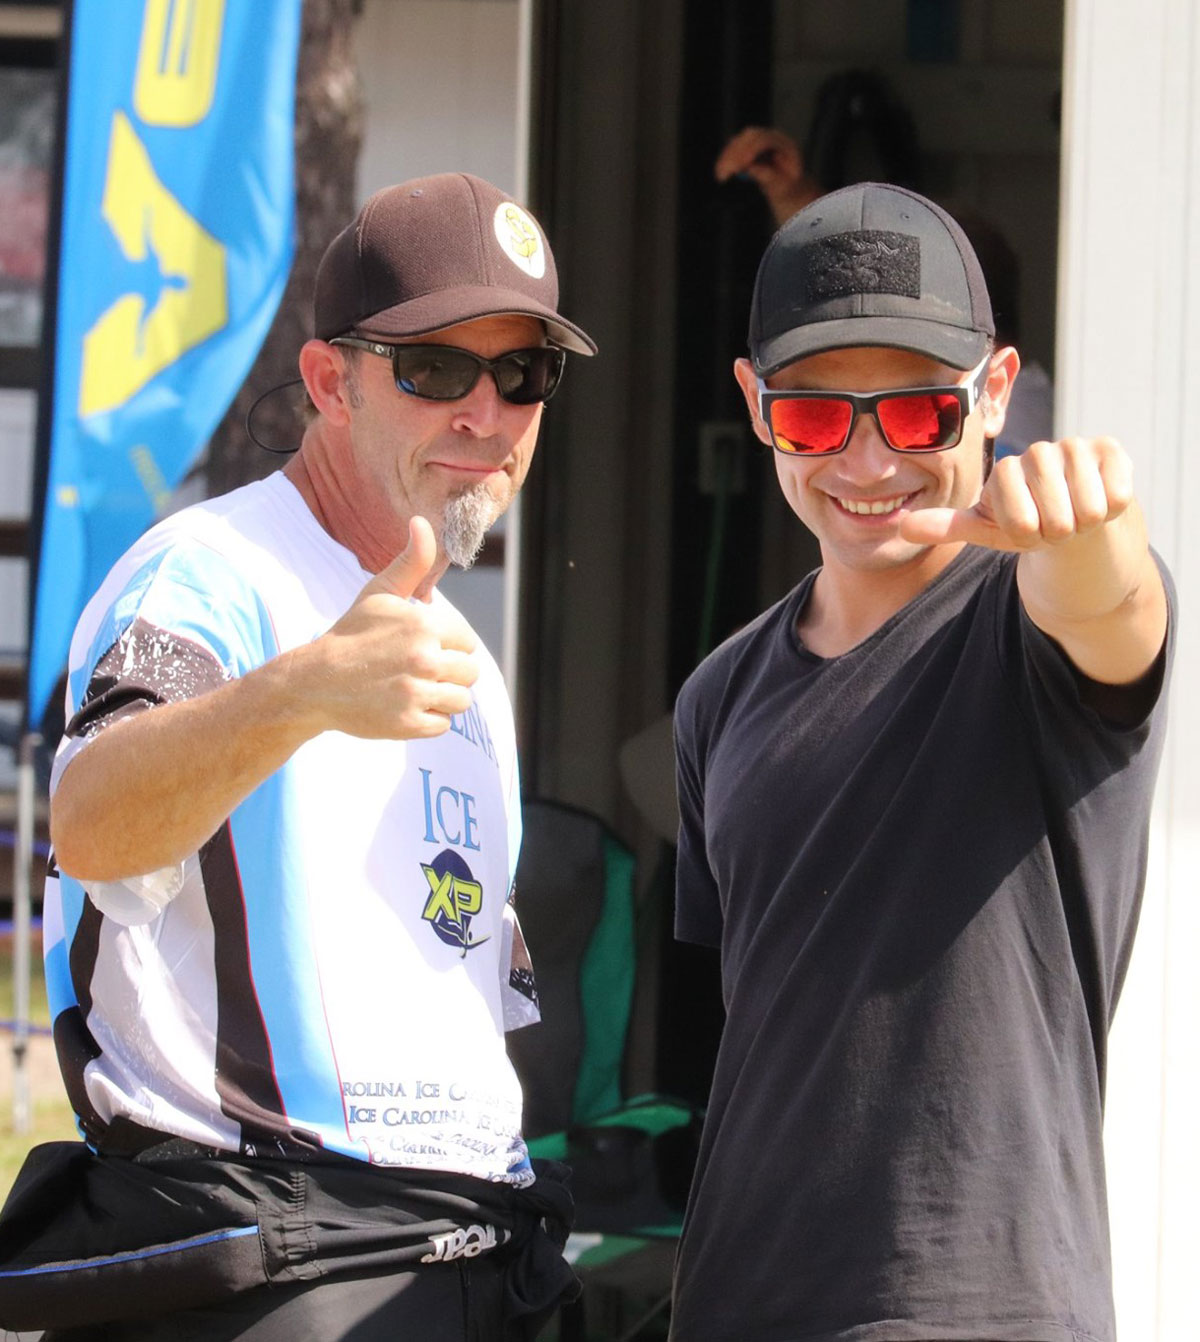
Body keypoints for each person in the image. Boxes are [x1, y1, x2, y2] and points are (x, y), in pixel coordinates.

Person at [0, 172, 595, 1341]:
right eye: (433, 370)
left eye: (522, 374)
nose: (485, 414)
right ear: (331, 381)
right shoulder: (207, 575)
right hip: (278, 1269)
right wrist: (303, 690)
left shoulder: (467, 656)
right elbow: (89, 824)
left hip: (467, 1261)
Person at [670, 181, 1172, 1341]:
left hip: (984, 1311)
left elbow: (1113, 612)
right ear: (754, 407)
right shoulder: (718, 696)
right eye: (812, 417)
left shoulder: (1034, 631)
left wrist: (1091, 535)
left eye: (914, 416)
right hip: (740, 1306)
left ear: (996, 393)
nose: (863, 460)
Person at [715, 113, 1055, 455]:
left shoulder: (1015, 458)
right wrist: (793, 193)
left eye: (922, 415)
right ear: (755, 400)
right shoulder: (1012, 400)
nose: (868, 468)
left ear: (996, 389)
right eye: (812, 415)